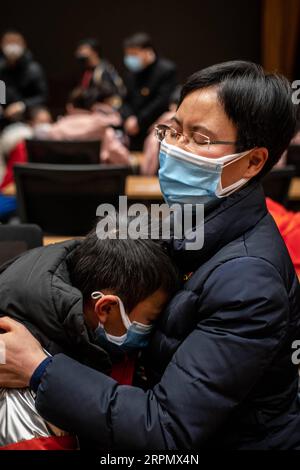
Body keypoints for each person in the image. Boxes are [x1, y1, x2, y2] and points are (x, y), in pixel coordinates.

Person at [1, 61, 300, 450]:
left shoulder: (249, 283)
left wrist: (40, 369)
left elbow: (165, 430)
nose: (173, 147)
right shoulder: (192, 216)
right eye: (173, 130)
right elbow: (96, 255)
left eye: (199, 138)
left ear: (254, 161)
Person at [0, 226, 179, 450]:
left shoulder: (88, 321)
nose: (153, 329)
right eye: (150, 320)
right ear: (106, 308)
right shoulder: (23, 394)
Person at [121, 32, 177, 150]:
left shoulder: (166, 70)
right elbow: (125, 99)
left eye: (134, 54)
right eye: (128, 55)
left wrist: (139, 121)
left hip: (154, 125)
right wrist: (129, 118)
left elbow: (161, 101)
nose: (130, 59)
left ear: (148, 51)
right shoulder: (131, 74)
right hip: (131, 126)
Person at [0, 29, 47, 127]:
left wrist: (22, 105)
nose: (12, 46)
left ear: (23, 45)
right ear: (1, 45)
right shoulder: (1, 69)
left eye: (16, 42)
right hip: (4, 114)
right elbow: (1, 90)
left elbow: (42, 96)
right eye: (8, 42)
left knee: (43, 116)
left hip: (27, 113)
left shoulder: (34, 69)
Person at [75, 38, 125, 107]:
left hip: (105, 109)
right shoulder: (86, 70)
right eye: (79, 50)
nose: (80, 53)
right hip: (90, 108)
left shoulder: (104, 69)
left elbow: (113, 91)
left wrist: (84, 93)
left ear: (95, 52)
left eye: (83, 49)